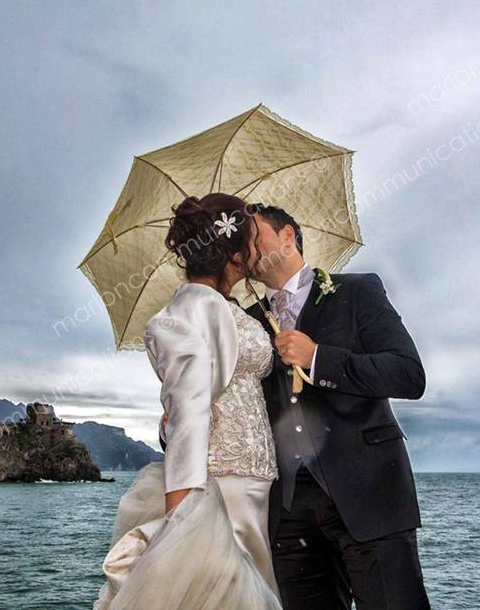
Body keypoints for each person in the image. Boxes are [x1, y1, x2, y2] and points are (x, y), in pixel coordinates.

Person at [93, 192, 283, 610]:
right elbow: (189, 411)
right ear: (233, 252)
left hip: (247, 480)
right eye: (251, 241)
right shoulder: (195, 309)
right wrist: (182, 517)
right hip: (221, 486)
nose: (256, 250)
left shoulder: (219, 305)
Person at [245, 203, 431, 610]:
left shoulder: (358, 291)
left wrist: (317, 358)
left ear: (288, 236)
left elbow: (408, 375)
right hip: (288, 511)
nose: (246, 246)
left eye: (254, 234)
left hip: (370, 495)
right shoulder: (244, 324)